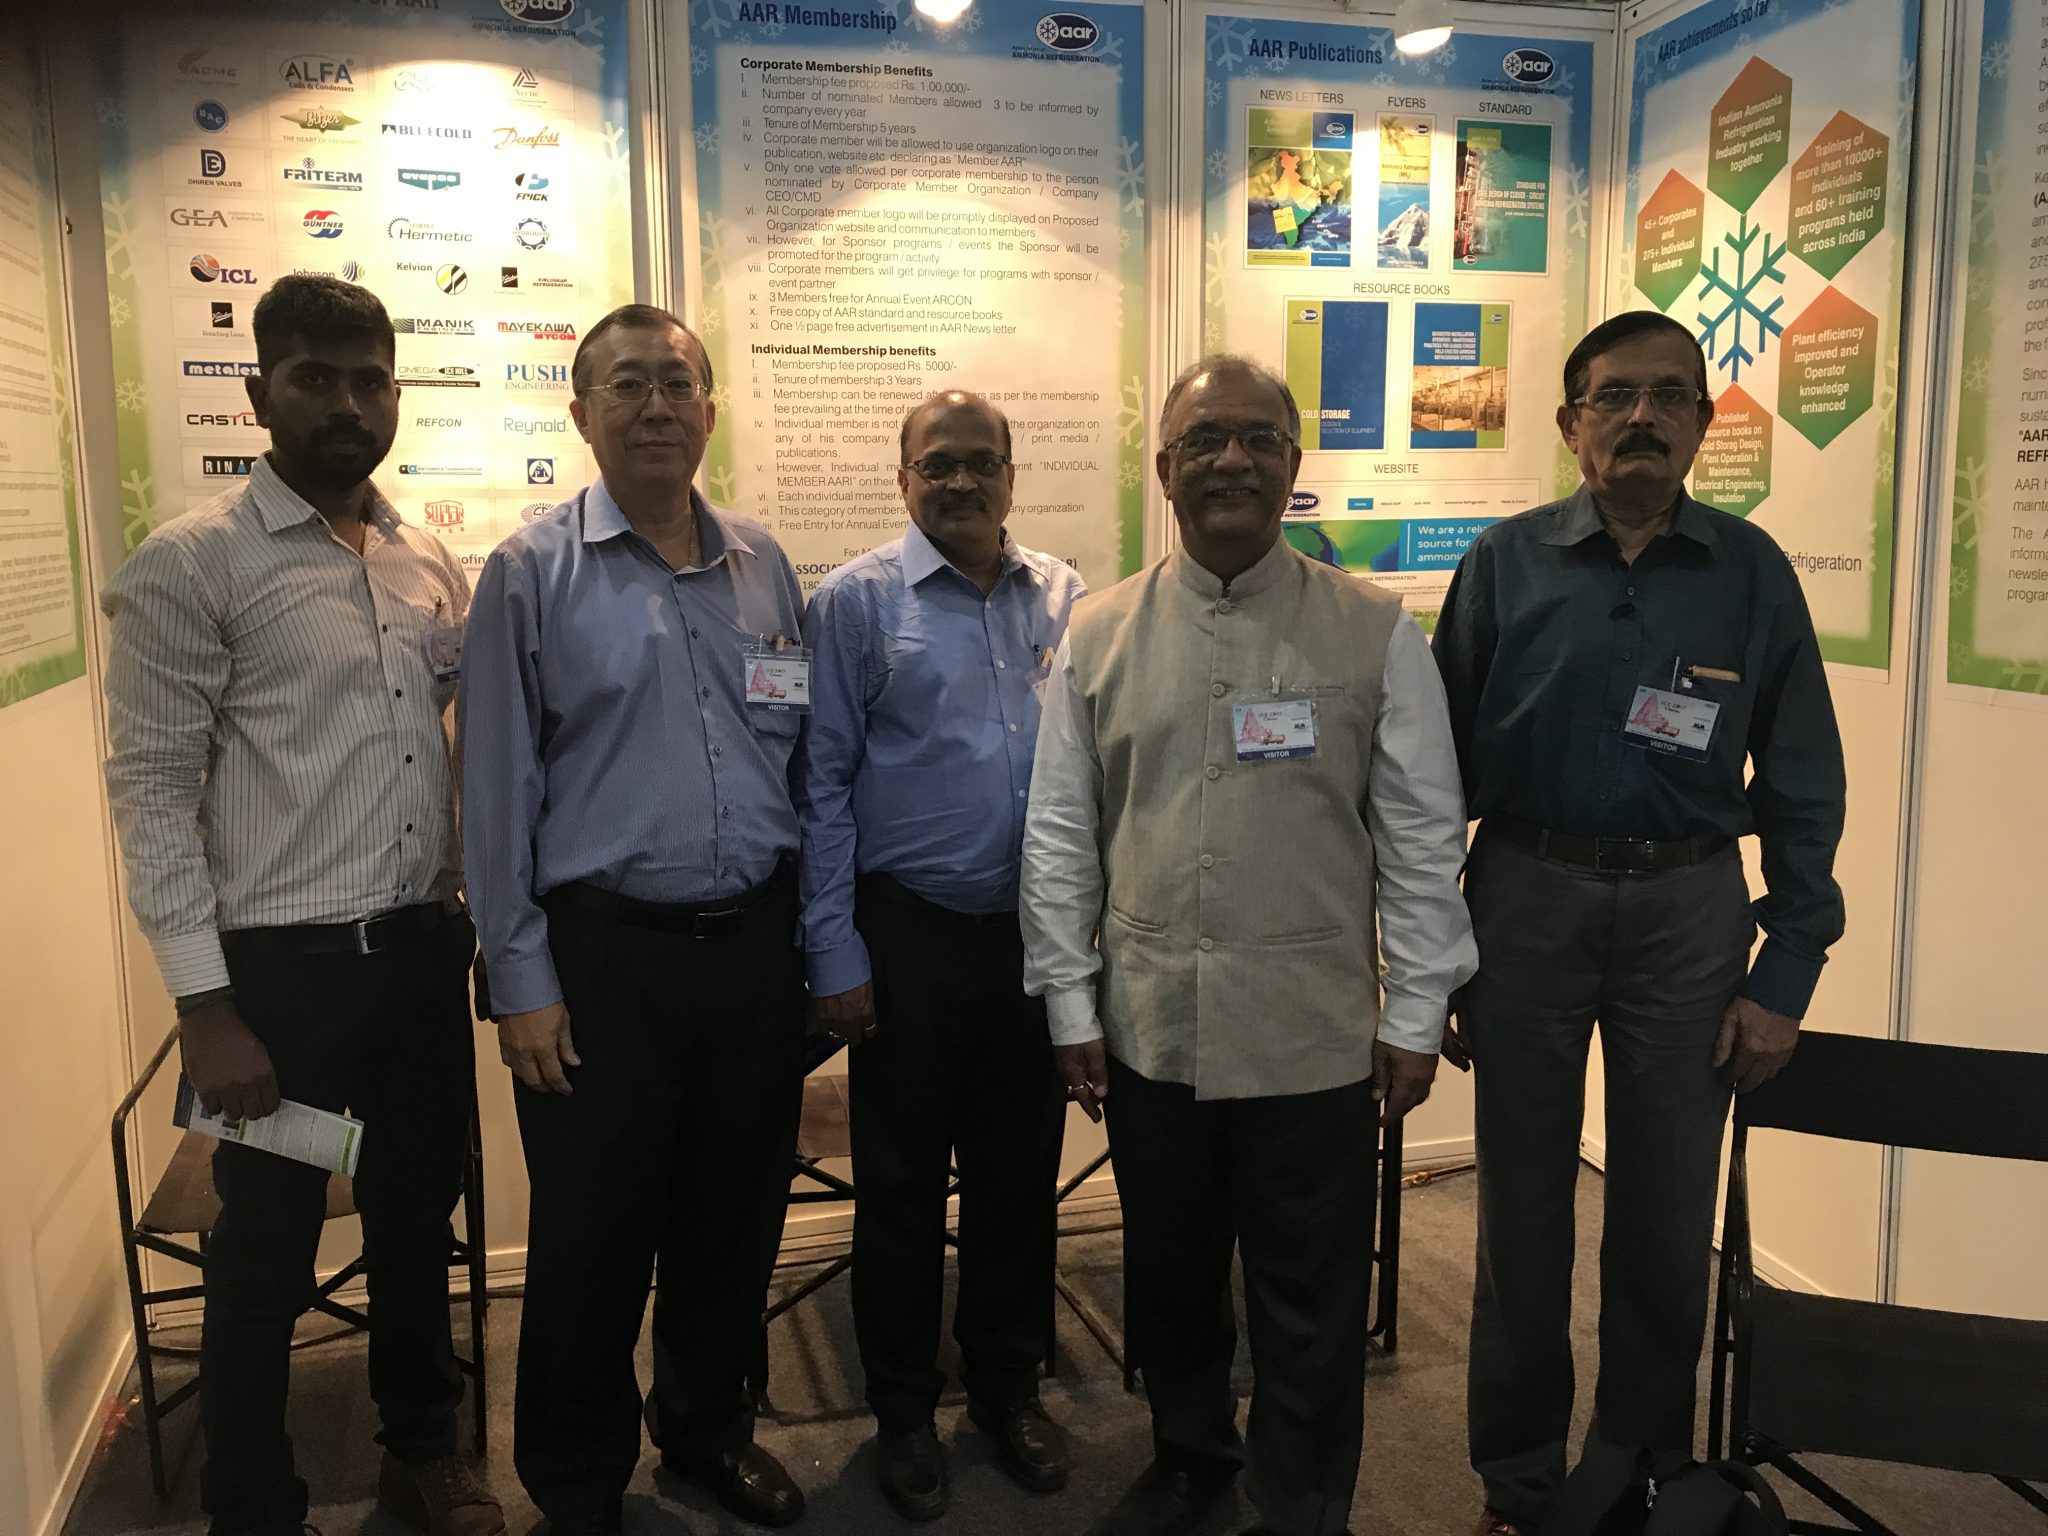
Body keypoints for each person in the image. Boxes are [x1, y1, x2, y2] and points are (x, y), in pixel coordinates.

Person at [1020, 355, 1478, 1536]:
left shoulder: (1374, 631)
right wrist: (1069, 1003)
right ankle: (1188, 1453)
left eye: (1258, 438)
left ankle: (1300, 1500)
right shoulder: (1097, 632)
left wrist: (1412, 1010)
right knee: (1170, 1273)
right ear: (1163, 467)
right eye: (1205, 439)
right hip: (1150, 1024)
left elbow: (1421, 836)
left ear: (1292, 465)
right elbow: (1060, 832)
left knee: (1309, 1296)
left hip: (1311, 1033)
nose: (1231, 459)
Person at [1431, 311, 1847, 1536]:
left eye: (1669, 396)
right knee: (1518, 1217)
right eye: (1614, 396)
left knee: (1665, 1222)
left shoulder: (1749, 572)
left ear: (1701, 425)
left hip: (1686, 911)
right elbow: (1430, 774)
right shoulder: (1501, 563)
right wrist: (1435, 955)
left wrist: (1786, 970)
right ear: (1570, 424)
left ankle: (1639, 1476)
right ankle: (1517, 1484)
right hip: (1524, 899)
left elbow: (1803, 779)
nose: (1642, 418)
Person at [101, 274, 501, 1536]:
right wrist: (204, 1008)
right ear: (258, 391)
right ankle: (253, 1504)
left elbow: (452, 757)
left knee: (413, 1222)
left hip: (419, 964)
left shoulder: (423, 560)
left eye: (369, 380)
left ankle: (422, 1452)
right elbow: (152, 795)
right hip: (281, 992)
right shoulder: (193, 563)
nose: (347, 404)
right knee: (266, 1252)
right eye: (314, 378)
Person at [459, 305, 809, 1535]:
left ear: (709, 407)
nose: (655, 405)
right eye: (626, 385)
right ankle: (576, 1482)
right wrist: (520, 981)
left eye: (676, 382)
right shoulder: (528, 572)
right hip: (601, 960)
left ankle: (707, 1433)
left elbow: (798, 757)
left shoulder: (765, 564)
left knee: (732, 1217)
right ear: (581, 413)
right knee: (591, 1242)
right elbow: (495, 789)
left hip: (752, 949)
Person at [797, 390, 1086, 1521]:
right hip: (906, 934)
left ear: (1011, 473)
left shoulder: (1064, 595)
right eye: (937, 464)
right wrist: (833, 951)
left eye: (980, 462)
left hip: (1031, 937)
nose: (960, 482)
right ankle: (905, 1413)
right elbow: (822, 784)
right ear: (902, 477)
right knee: (903, 1192)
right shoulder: (855, 602)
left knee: (1019, 1182)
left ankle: (1008, 1391)